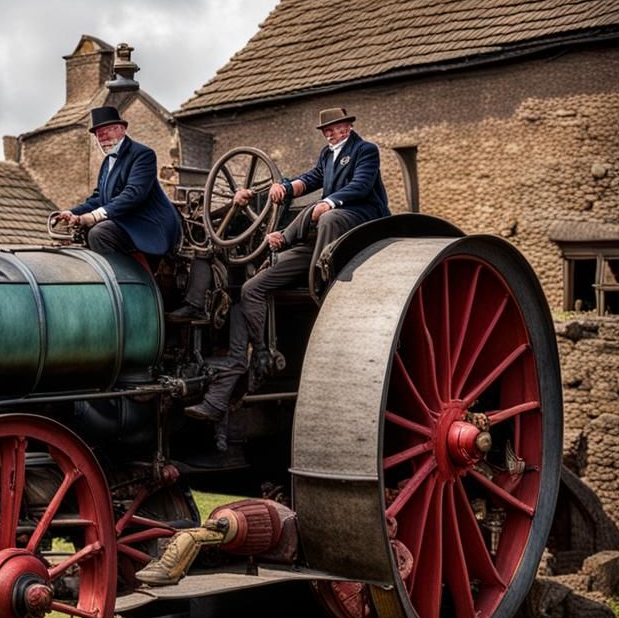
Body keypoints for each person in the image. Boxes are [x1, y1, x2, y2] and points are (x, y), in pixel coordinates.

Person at [185, 106, 390, 421]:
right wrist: (281, 188)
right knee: (251, 289)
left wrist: (328, 201)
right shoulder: (327, 155)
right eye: (326, 130)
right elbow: (309, 180)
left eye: (336, 127)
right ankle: (262, 355)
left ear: (348, 125)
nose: (331, 133)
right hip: (319, 233)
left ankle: (323, 280)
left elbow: (360, 188)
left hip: (360, 219)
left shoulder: (364, 151)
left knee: (328, 215)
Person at [52, 106, 181, 259]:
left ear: (122, 129)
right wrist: (72, 213)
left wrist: (94, 217)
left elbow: (133, 194)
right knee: (82, 234)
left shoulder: (143, 155)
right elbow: (99, 198)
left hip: (147, 225)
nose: (103, 138)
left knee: (99, 233)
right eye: (99, 135)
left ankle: (129, 282)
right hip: (122, 220)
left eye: (107, 132)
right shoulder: (108, 162)